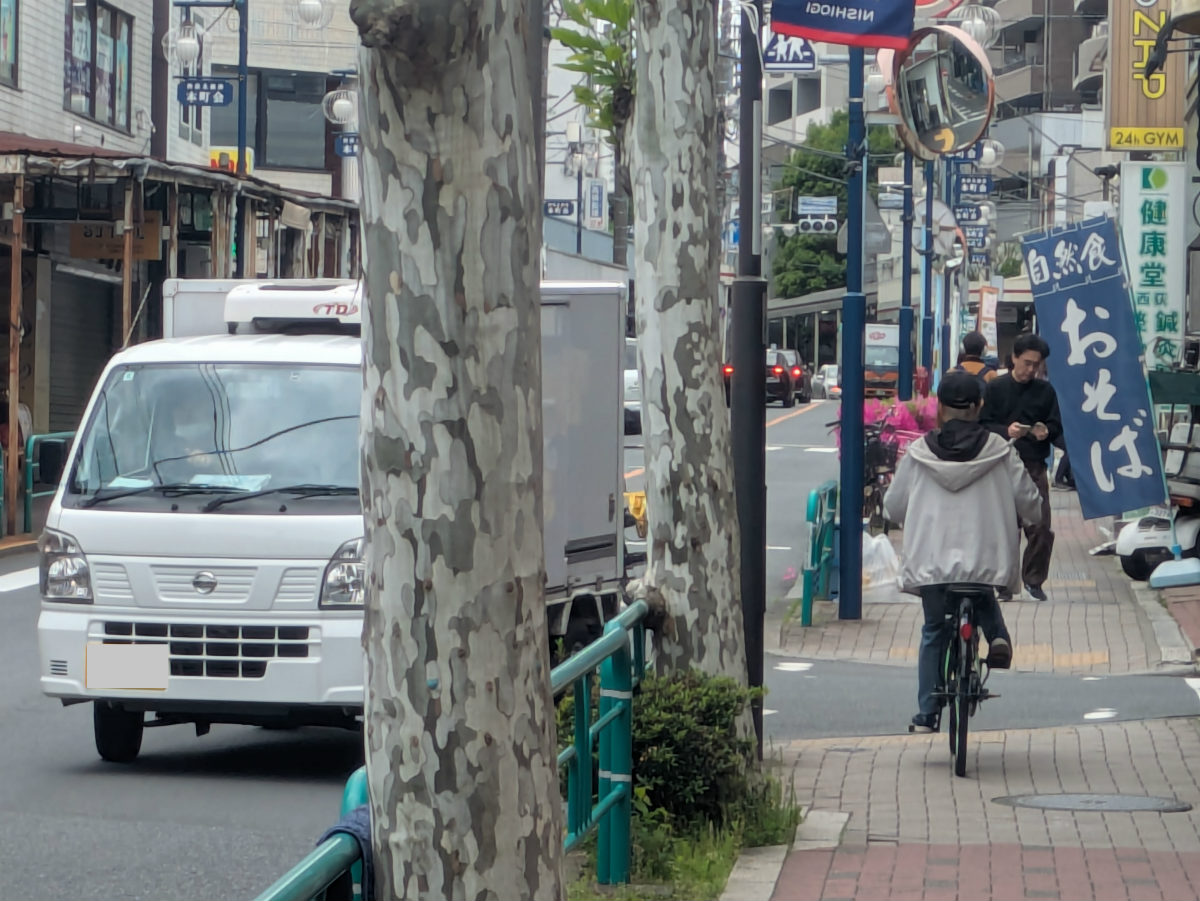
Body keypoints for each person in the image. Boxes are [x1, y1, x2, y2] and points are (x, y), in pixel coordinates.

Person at [883, 371, 1043, 733]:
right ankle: (997, 635)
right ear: (977, 407)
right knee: (980, 584)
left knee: (934, 630)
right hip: (985, 559)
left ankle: (926, 714)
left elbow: (893, 507)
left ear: (940, 407)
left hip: (932, 563)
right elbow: (1031, 503)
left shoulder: (919, 451)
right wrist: (1031, 516)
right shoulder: (1001, 450)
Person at [979, 333, 1062, 602]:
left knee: (1040, 523)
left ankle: (1034, 580)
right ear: (1014, 358)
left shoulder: (1046, 391)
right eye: (1027, 363)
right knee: (1004, 526)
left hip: (1034, 464)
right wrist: (1006, 430)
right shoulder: (995, 388)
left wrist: (1046, 431)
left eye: (1036, 365)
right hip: (1001, 463)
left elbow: (1057, 426)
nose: (1031, 370)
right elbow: (982, 425)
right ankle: (1003, 583)